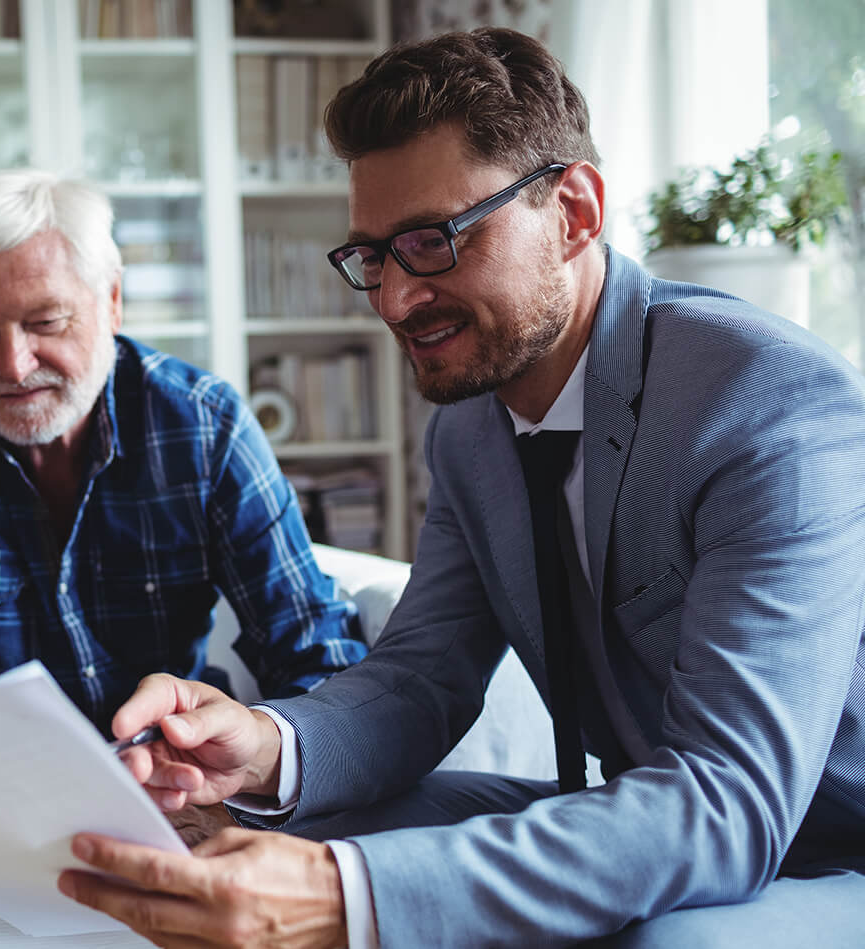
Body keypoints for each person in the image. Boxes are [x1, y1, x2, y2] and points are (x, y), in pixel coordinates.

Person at [57, 27, 865, 949]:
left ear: (575, 212)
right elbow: (420, 679)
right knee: (265, 828)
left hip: (822, 844)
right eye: (373, 257)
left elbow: (729, 802)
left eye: (433, 242)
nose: (396, 300)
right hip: (646, 814)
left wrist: (348, 895)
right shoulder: (470, 431)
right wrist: (262, 747)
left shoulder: (765, 400)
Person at [0, 168, 366, 910]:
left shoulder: (206, 425)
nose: (14, 363)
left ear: (111, 302)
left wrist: (239, 763)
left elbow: (316, 650)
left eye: (44, 322)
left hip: (165, 780)